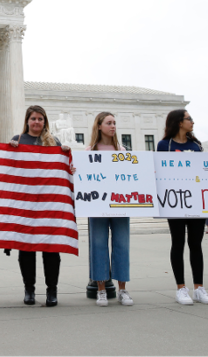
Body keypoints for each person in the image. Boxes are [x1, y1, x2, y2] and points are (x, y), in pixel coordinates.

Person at [157, 109, 208, 306]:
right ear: (178, 122)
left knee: (195, 244)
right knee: (178, 243)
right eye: (189, 119)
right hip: (175, 201)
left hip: (196, 201)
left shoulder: (196, 145)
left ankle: (199, 288)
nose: (192, 122)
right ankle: (181, 288)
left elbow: (205, 169)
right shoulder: (164, 145)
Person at [9, 105, 74, 307]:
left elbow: (65, 171)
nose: (36, 122)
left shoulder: (55, 142)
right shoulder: (18, 140)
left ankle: (51, 290)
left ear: (45, 121)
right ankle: (29, 289)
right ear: (27, 121)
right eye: (33, 119)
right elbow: (8, 168)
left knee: (51, 249)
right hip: (25, 203)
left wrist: (66, 156)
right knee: (26, 248)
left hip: (48, 203)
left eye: (40, 119)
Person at [86, 112, 134, 307]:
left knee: (122, 244)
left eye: (114, 123)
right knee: (98, 245)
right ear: (99, 126)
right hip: (97, 205)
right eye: (109, 123)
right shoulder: (90, 151)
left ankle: (123, 289)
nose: (113, 126)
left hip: (120, 204)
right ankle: (101, 290)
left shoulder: (122, 150)